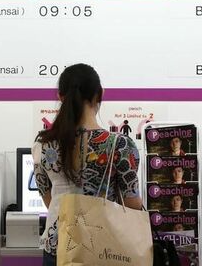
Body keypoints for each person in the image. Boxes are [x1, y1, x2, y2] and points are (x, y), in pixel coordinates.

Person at [32, 63, 142, 266]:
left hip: (58, 247)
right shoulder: (120, 145)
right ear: (100, 94)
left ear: (60, 97)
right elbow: (132, 205)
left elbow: (49, 199)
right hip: (104, 249)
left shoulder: (43, 144)